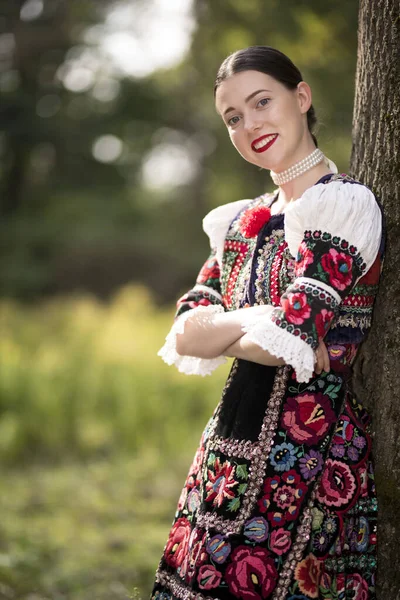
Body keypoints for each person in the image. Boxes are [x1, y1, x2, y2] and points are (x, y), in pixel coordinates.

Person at [151, 46, 383, 600]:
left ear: (301, 98)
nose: (249, 124)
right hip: (226, 451)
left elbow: (291, 342)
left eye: (262, 102)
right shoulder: (236, 222)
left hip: (311, 454)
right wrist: (261, 318)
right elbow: (185, 331)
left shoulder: (345, 206)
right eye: (233, 117)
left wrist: (259, 330)